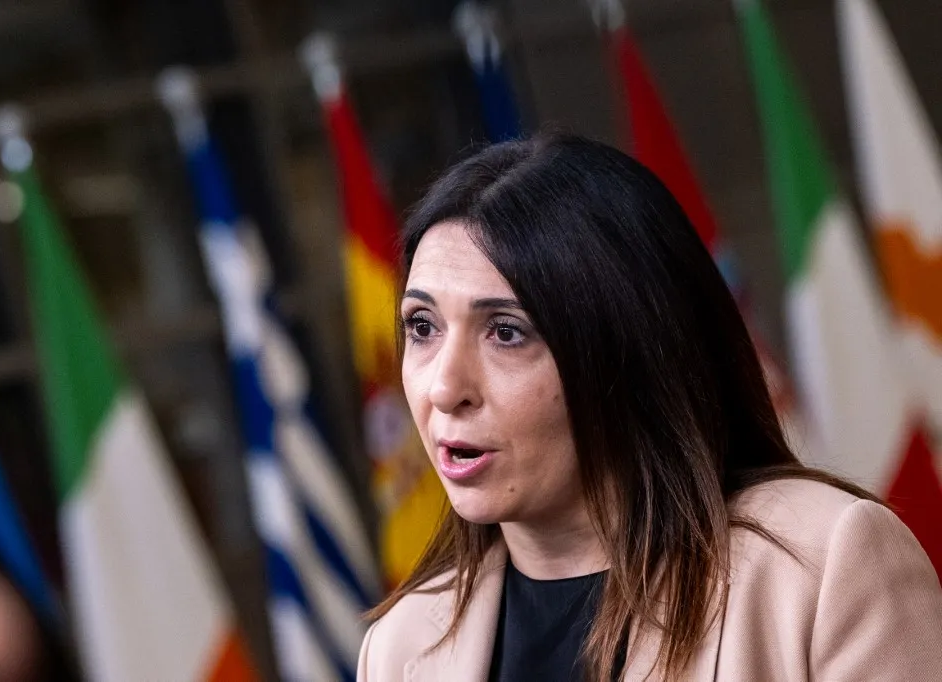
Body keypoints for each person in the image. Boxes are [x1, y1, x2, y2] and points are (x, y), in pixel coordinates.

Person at [357, 133, 942, 681]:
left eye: (507, 332)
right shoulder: (398, 648)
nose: (443, 388)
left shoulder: (824, 566)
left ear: (629, 348)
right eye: (422, 326)